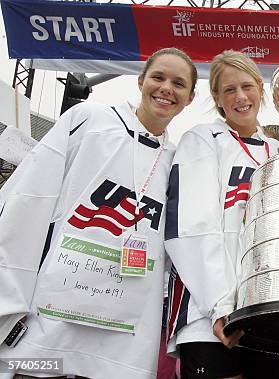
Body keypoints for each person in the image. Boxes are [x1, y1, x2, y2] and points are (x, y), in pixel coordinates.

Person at [0, 47, 196, 378]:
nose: (166, 88)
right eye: (158, 77)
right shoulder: (89, 121)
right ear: (140, 81)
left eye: (179, 83)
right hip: (47, 331)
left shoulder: (179, 163)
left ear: (189, 98)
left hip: (121, 345)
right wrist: (10, 299)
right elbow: (26, 203)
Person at [164, 50, 279, 379]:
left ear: (261, 91)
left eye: (247, 86)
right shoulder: (203, 139)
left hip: (265, 315)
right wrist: (220, 304)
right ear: (217, 99)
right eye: (229, 90)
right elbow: (192, 227)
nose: (240, 97)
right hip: (209, 317)